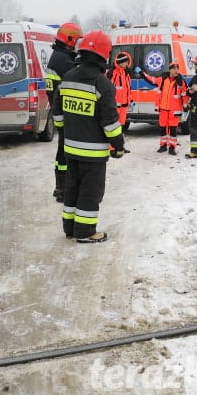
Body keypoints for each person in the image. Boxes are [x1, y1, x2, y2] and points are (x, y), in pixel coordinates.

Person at [52, 30, 124, 243]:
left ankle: (70, 228)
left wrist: (65, 130)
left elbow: (57, 112)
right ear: (104, 55)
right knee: (90, 192)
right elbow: (110, 123)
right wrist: (118, 146)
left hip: (70, 149)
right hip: (93, 154)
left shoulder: (68, 77)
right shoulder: (102, 84)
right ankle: (85, 232)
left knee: (72, 189)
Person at [45, 22, 83, 202]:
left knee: (62, 149)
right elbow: (78, 77)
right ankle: (62, 188)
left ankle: (60, 186)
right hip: (64, 113)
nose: (75, 45)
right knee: (65, 151)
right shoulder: (62, 60)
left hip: (58, 110)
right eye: (75, 41)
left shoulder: (59, 56)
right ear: (68, 39)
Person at [140, 62, 189, 155]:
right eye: (174, 68)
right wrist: (142, 73)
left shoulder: (181, 82)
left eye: (177, 69)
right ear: (170, 69)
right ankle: (163, 146)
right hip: (163, 108)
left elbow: (185, 95)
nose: (176, 70)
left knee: (173, 129)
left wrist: (186, 105)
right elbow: (151, 79)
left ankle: (172, 147)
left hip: (175, 110)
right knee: (162, 128)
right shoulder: (163, 79)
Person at [107, 52, 131, 153]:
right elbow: (107, 88)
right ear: (121, 62)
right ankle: (112, 147)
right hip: (115, 106)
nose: (127, 64)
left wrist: (130, 99)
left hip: (124, 105)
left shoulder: (125, 73)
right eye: (126, 62)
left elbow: (128, 88)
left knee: (121, 127)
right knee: (113, 126)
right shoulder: (112, 73)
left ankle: (120, 145)